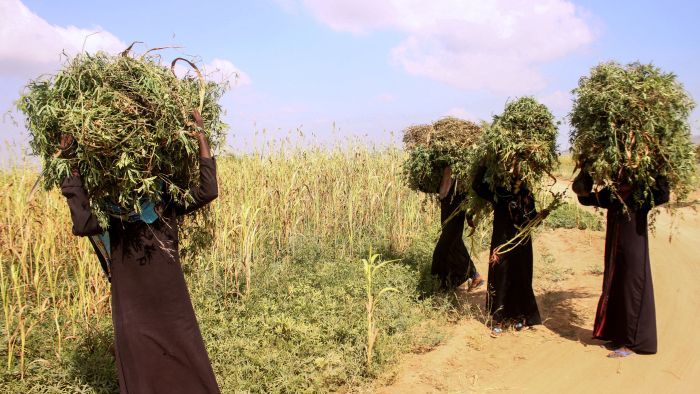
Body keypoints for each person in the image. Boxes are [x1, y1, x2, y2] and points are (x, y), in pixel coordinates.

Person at [60, 110, 221, 393]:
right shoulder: (112, 213)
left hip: (169, 303)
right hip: (134, 307)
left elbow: (208, 191)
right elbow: (83, 223)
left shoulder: (164, 201)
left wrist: (200, 136)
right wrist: (71, 160)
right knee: (143, 367)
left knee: (183, 358)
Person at [573, 170, 669, 358]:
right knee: (616, 289)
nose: (620, 176)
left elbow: (663, 195)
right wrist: (585, 173)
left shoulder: (642, 194)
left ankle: (632, 342)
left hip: (634, 252)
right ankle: (617, 335)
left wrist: (660, 168)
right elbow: (585, 199)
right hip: (615, 251)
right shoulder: (613, 193)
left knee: (631, 290)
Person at [472, 166, 541, 335]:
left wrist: (540, 217)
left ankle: (519, 317)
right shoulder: (499, 193)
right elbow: (478, 187)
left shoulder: (527, 195)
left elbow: (533, 219)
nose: (516, 175)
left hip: (521, 244)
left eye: (519, 172)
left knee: (520, 276)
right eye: (512, 172)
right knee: (500, 276)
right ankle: (499, 318)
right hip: (501, 243)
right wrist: (485, 163)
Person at [432, 166, 483, 290]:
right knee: (455, 245)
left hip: (456, 213)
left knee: (442, 249)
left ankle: (439, 283)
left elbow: (469, 197)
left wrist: (469, 216)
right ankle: (470, 277)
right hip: (446, 213)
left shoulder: (461, 174)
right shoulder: (442, 172)